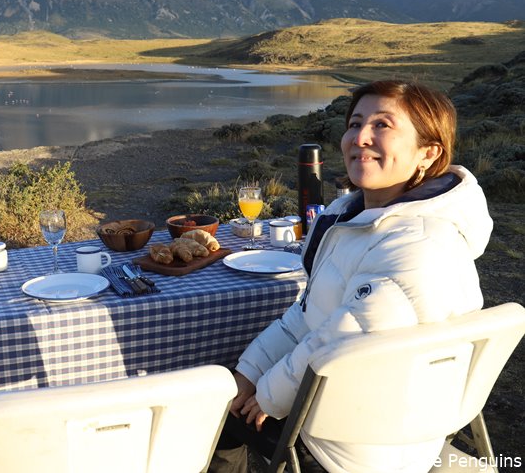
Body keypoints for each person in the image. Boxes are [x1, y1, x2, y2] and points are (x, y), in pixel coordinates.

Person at [211, 79, 493, 473]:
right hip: (365, 405)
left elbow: (339, 341)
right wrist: (249, 372)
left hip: (360, 440)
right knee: (226, 389)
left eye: (383, 125)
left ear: (428, 152)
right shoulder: (357, 219)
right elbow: (308, 316)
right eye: (355, 123)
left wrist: (269, 396)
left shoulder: (421, 241)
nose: (360, 137)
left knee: (213, 419)